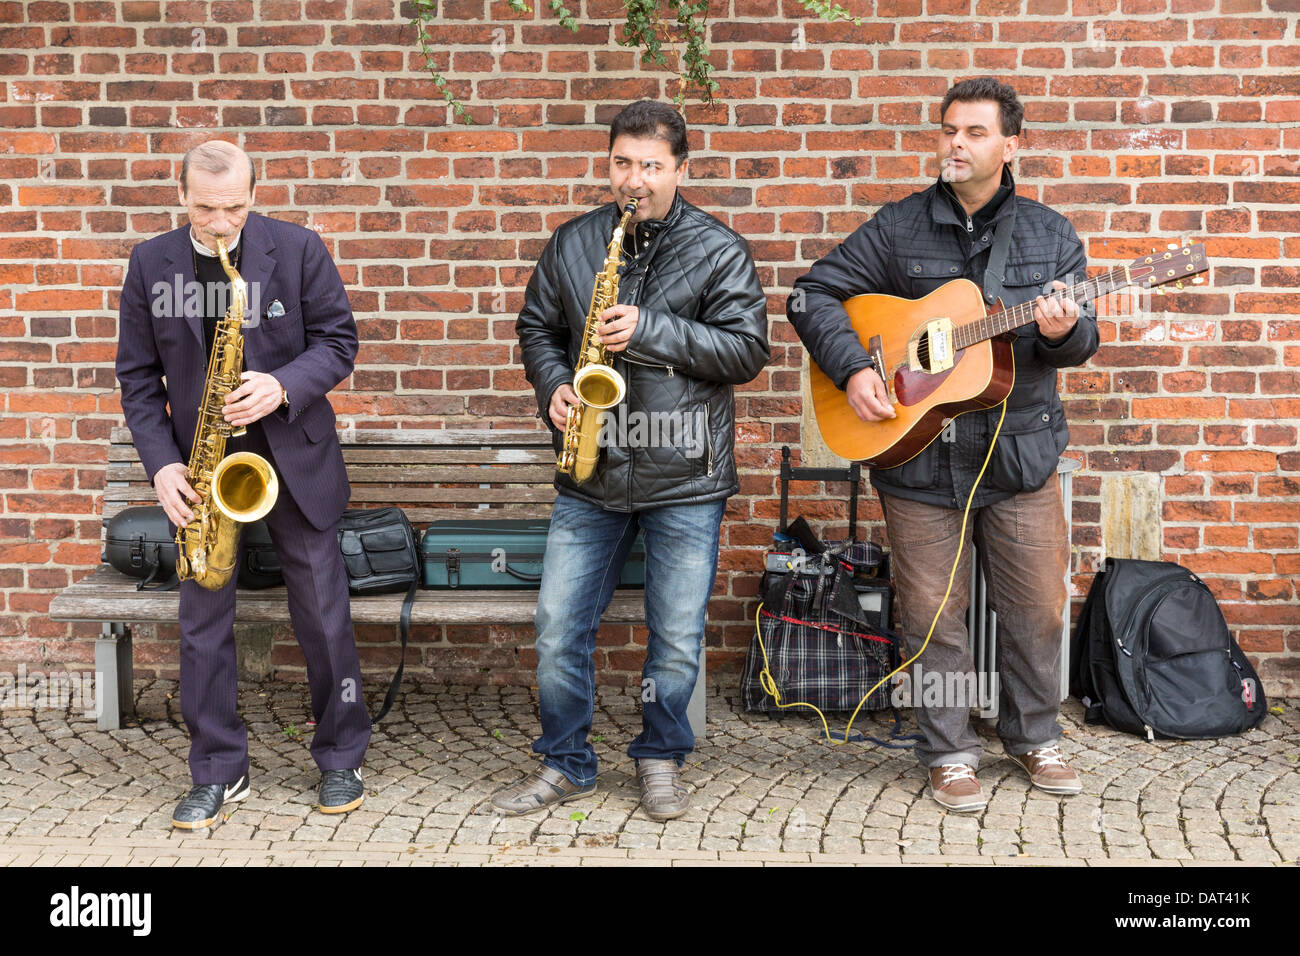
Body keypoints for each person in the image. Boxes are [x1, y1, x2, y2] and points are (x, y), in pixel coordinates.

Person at [788, 78, 1098, 812]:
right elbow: (810, 295)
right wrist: (854, 366)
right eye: (948, 130)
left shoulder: (1050, 235)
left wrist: (1064, 330)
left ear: (1010, 146)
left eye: (975, 133)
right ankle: (949, 751)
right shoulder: (898, 228)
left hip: (1018, 457)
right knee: (931, 617)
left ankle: (1034, 737)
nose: (956, 144)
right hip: (919, 460)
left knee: (1039, 612)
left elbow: (1080, 340)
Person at [499, 100, 770, 820]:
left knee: (676, 638)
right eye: (624, 163)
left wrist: (652, 330)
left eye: (652, 166)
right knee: (558, 626)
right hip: (589, 472)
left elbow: (747, 351)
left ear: (681, 168)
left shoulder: (719, 250)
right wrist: (555, 385)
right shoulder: (573, 242)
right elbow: (536, 329)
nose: (636, 180)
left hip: (684, 477)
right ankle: (566, 763)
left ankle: (660, 757)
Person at [115, 140, 371, 828]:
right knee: (202, 624)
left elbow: (339, 342)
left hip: (292, 454)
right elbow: (138, 379)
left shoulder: (298, 250)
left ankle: (342, 753)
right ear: (182, 196)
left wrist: (283, 384)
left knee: (322, 610)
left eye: (234, 208)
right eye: (206, 210)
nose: (222, 224)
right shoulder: (151, 263)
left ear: (253, 197)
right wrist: (163, 464)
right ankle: (218, 770)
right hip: (200, 464)